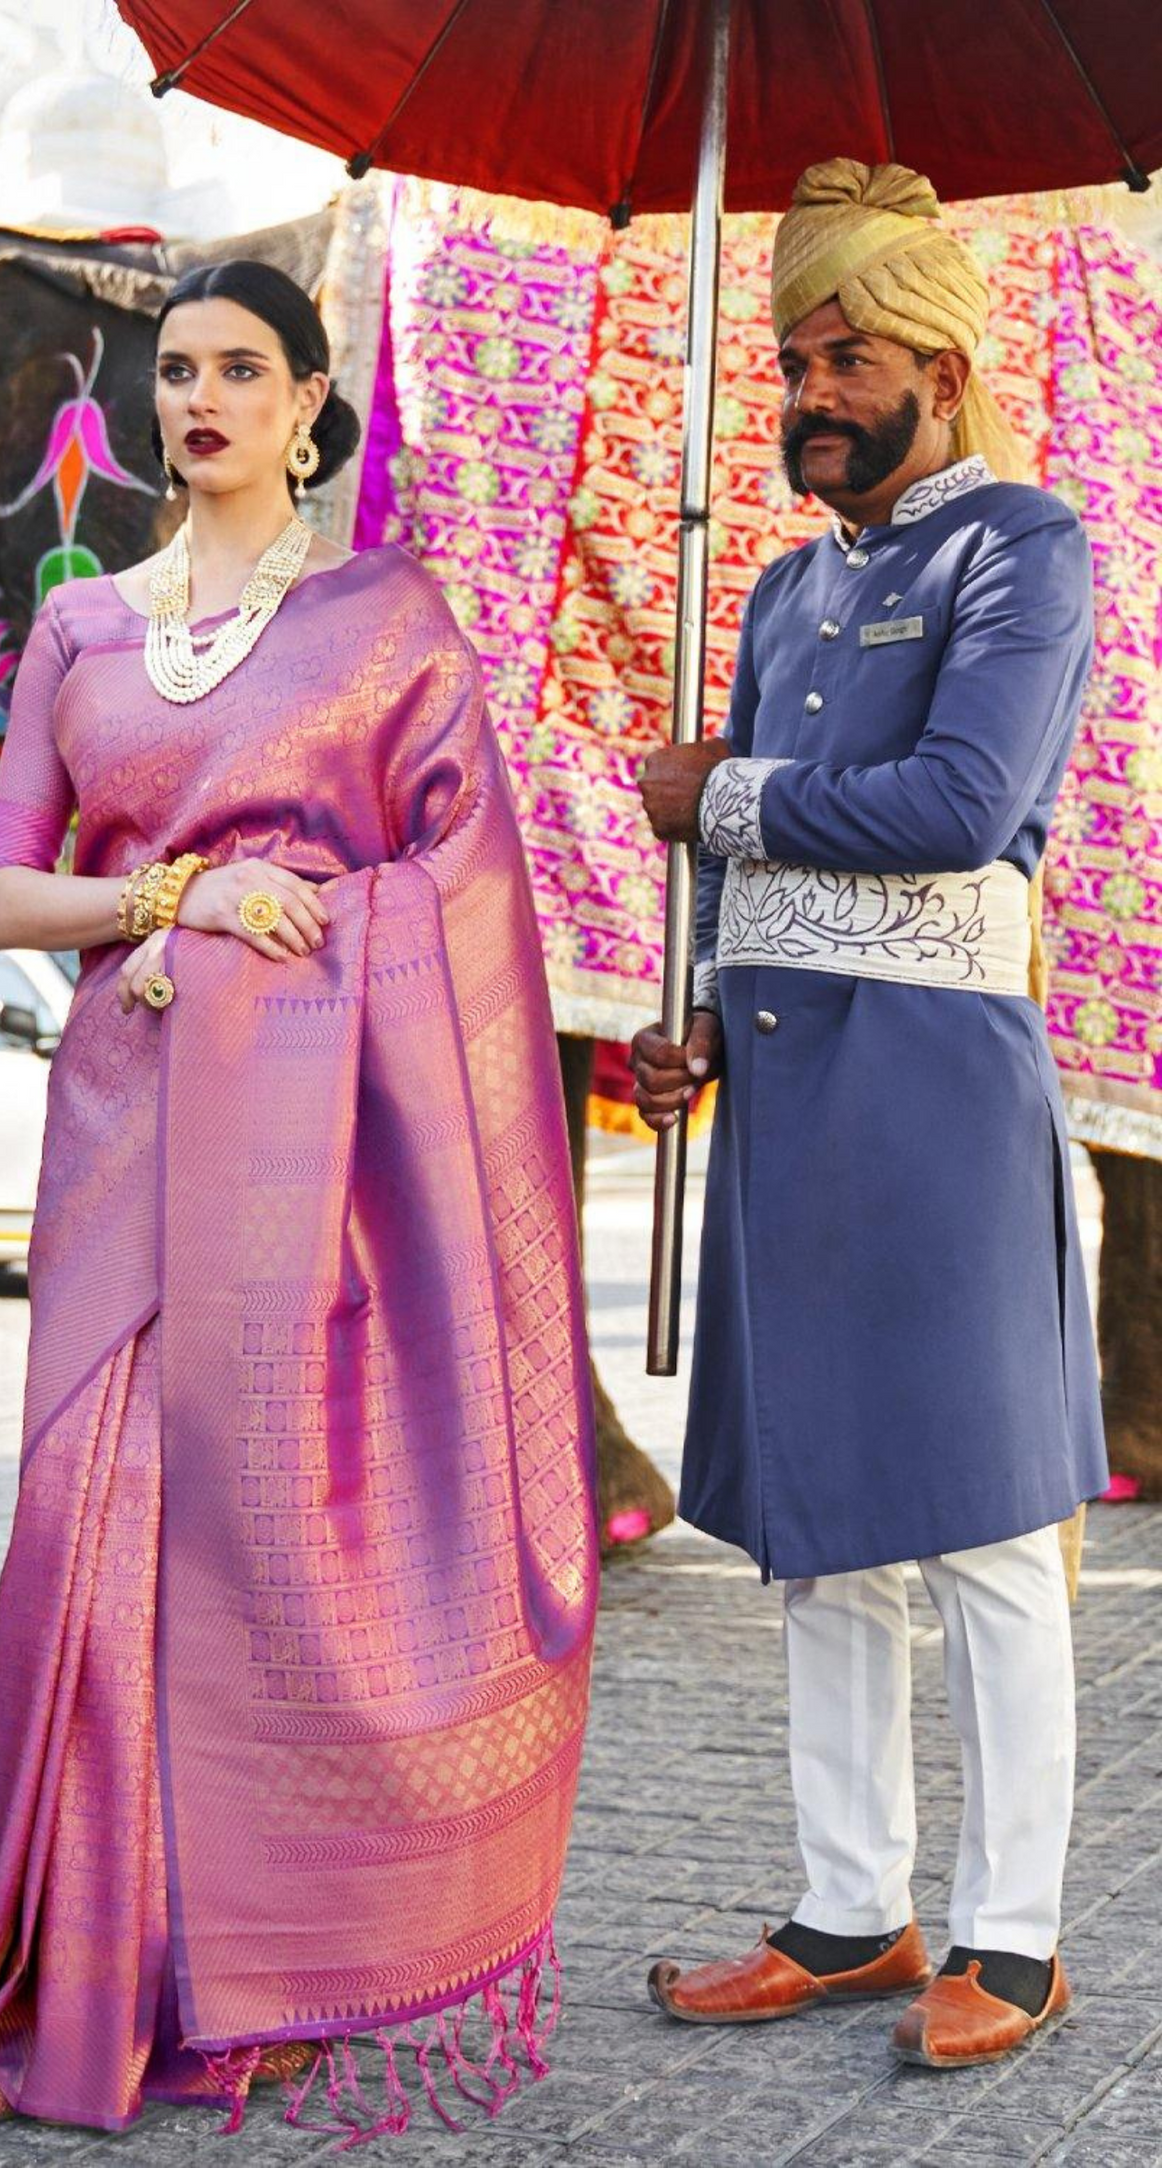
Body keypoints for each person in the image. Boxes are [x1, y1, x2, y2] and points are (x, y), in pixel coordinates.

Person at [0, 259, 597, 2139]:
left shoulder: (386, 620)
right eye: (176, 370)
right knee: (78, 1534)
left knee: (253, 1549)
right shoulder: (82, 625)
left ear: (309, 402)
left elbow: (467, 886)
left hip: (313, 1153)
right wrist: (180, 899)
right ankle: (53, 1986)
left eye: (240, 369)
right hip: (123, 1126)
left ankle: (254, 1979)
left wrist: (272, 946)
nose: (199, 399)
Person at [631, 161, 1106, 2071]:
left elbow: (962, 808)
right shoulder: (784, 584)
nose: (808, 393)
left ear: (939, 365)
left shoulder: (1022, 549)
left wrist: (723, 797)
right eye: (789, 361)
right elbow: (747, 873)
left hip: (936, 1092)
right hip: (788, 1082)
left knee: (983, 1523)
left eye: (842, 358)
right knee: (823, 1524)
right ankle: (853, 1909)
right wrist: (698, 1023)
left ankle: (1018, 1936)